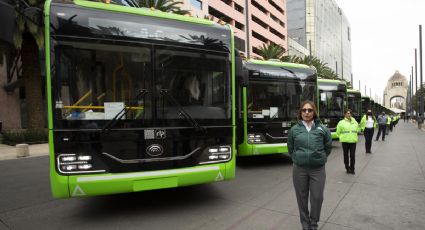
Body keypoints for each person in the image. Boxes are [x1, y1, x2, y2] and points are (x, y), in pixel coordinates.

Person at [288, 101, 332, 230]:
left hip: (317, 169)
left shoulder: (322, 128)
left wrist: (321, 157)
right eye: (304, 110)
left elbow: (328, 146)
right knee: (301, 198)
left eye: (310, 110)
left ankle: (314, 223)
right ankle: (305, 224)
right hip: (299, 169)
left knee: (317, 197)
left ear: (314, 112)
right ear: (300, 112)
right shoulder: (294, 129)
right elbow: (290, 147)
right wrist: (297, 158)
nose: (307, 112)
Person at [336, 109, 360, 174]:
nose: (348, 114)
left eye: (350, 113)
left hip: (353, 141)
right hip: (345, 141)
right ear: (345, 114)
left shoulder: (355, 122)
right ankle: (347, 167)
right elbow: (338, 132)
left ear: (351, 114)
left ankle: (352, 169)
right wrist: (341, 137)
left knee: (352, 155)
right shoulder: (341, 122)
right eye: (347, 113)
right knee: (346, 155)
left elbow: (358, 130)